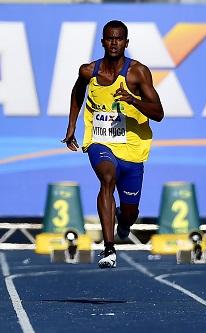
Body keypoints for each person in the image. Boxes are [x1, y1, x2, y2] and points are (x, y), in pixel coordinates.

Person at [63, 20, 164, 268]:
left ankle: (124, 220)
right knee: (107, 179)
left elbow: (159, 112)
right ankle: (108, 248)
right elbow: (77, 92)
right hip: (100, 141)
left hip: (132, 148)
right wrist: (71, 126)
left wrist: (132, 100)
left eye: (119, 39)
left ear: (126, 43)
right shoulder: (88, 71)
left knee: (130, 212)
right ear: (102, 42)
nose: (114, 43)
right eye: (110, 38)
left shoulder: (137, 73)